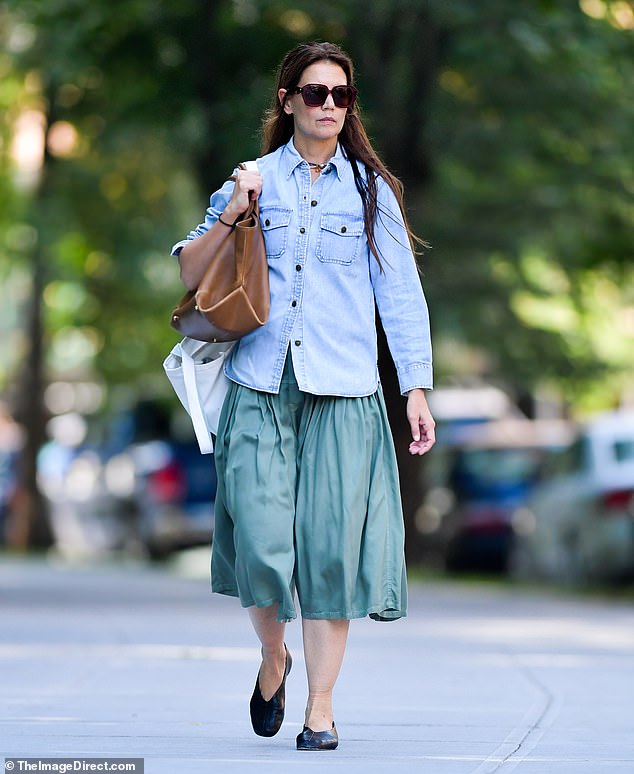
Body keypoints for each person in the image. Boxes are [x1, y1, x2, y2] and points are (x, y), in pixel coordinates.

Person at [172, 41, 435, 751]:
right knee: (261, 546)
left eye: (340, 95)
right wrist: (235, 208)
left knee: (328, 555)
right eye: (314, 93)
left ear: (350, 107)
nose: (327, 106)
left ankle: (320, 710)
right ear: (287, 100)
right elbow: (191, 270)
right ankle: (272, 656)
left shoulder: (372, 190)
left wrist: (414, 385)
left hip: (344, 389)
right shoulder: (252, 180)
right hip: (260, 382)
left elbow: (400, 295)